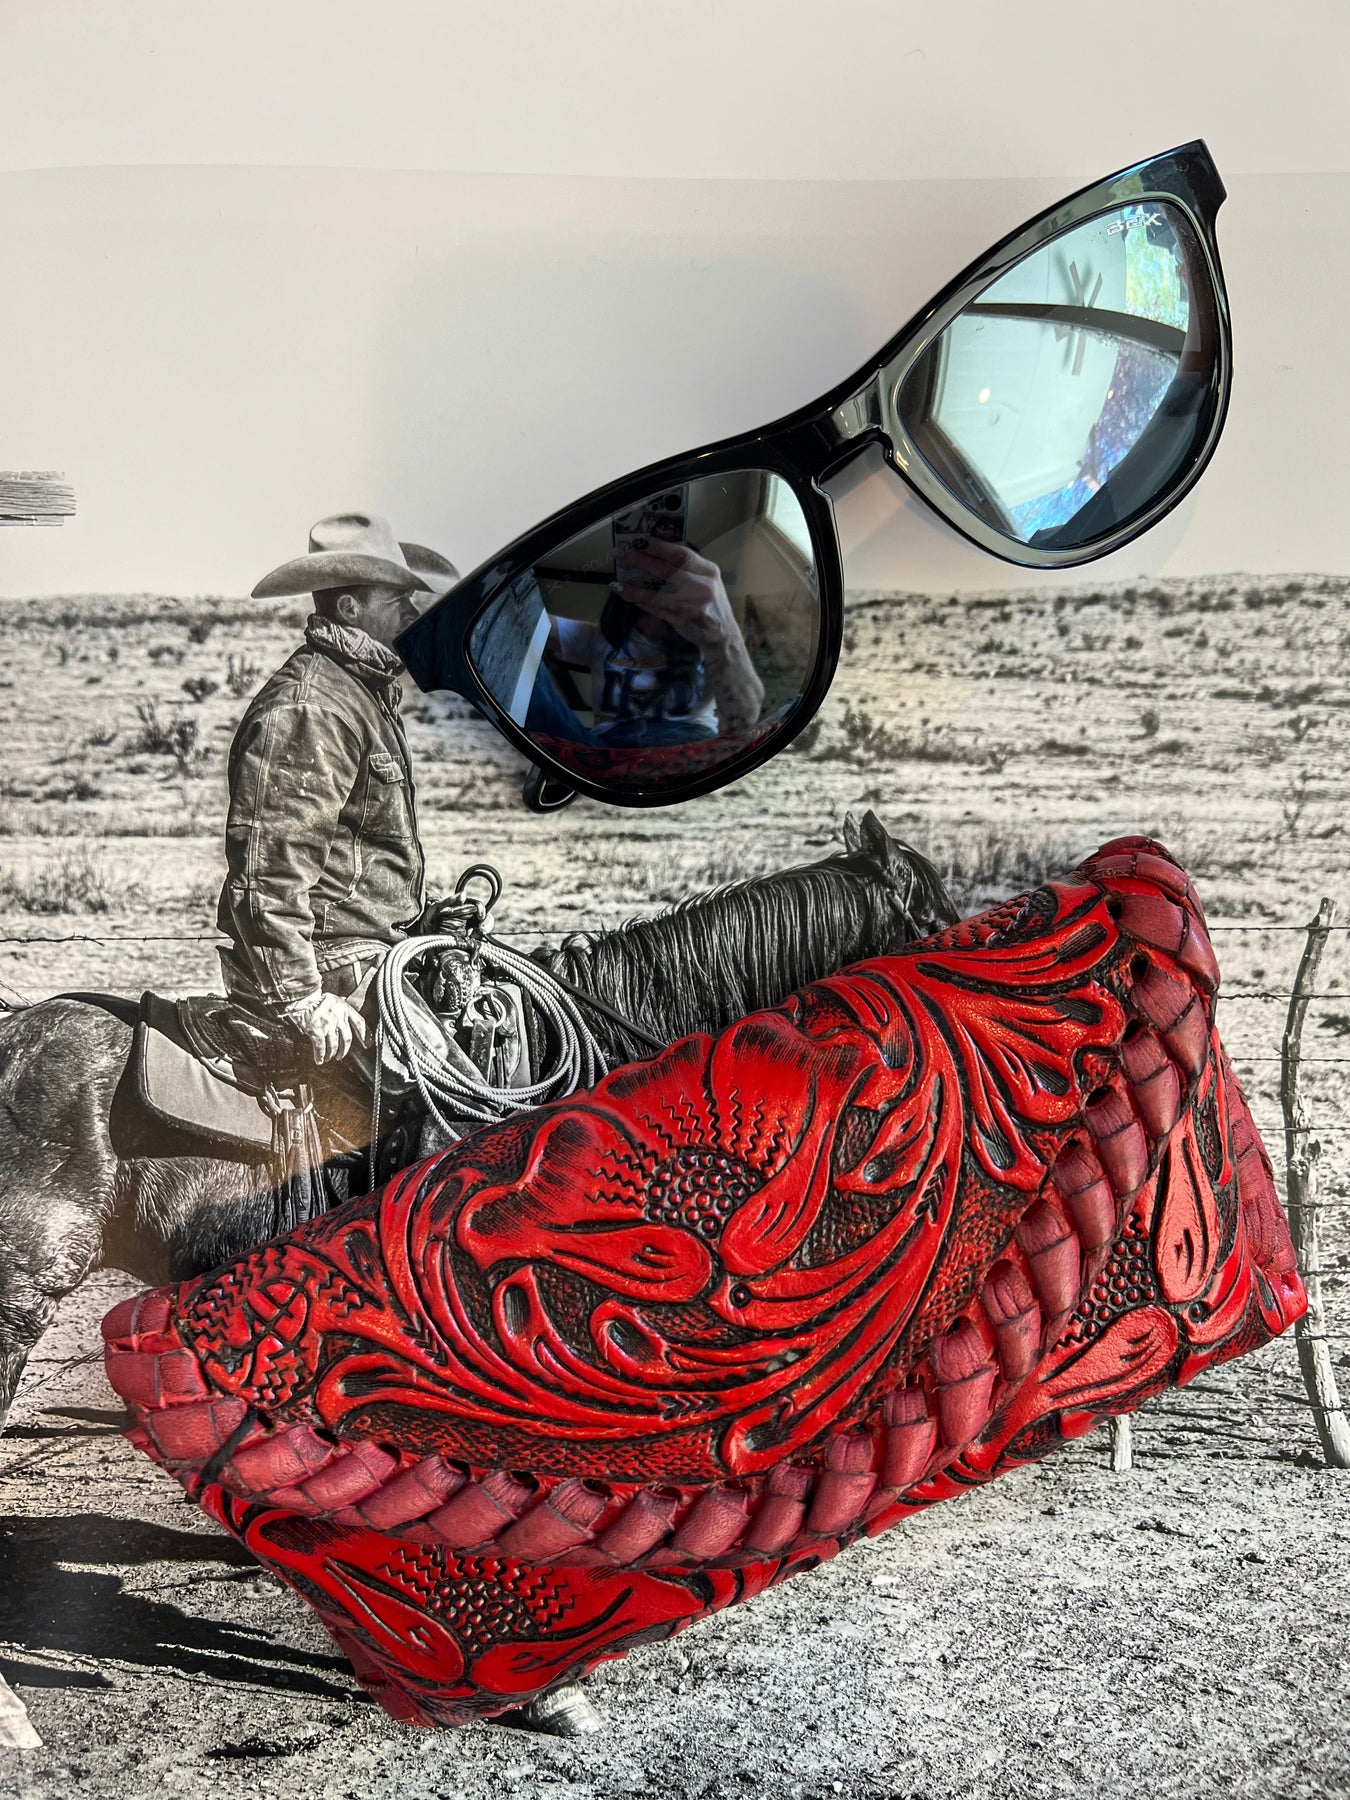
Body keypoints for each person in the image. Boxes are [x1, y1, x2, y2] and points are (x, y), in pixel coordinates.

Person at [217, 513, 458, 1090]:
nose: (412, 612)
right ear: (350, 608)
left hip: (367, 952)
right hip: (331, 964)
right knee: (459, 1104)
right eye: (398, 599)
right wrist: (301, 996)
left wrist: (421, 918)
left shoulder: (358, 696)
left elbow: (352, 855)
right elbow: (268, 870)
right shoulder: (313, 708)